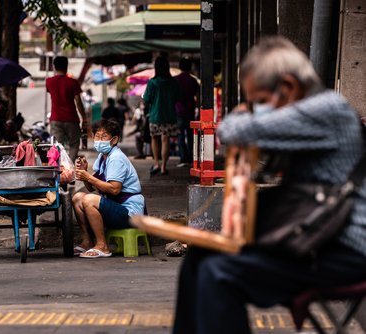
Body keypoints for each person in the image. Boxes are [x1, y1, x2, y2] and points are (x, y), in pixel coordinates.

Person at [173, 37, 366, 333]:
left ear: (287, 87)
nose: (256, 108)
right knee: (200, 254)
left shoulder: (327, 110)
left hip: (343, 248)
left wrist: (241, 117)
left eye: (260, 101)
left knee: (219, 273)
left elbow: (233, 129)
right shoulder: (312, 113)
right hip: (315, 236)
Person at [73, 119, 146, 258]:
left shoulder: (116, 158)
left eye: (104, 137)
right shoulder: (103, 157)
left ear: (114, 140)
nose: (99, 140)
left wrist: (88, 177)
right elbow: (91, 188)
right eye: (97, 136)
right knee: (77, 198)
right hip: (115, 208)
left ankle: (103, 246)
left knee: (89, 200)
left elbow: (114, 189)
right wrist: (85, 172)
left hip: (130, 213)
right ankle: (87, 241)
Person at [46, 56, 88, 162]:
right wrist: (84, 118)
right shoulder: (73, 82)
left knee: (57, 146)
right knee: (74, 144)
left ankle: (59, 170)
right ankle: (70, 167)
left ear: (54, 66)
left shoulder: (49, 82)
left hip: (55, 119)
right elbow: (78, 101)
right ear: (67, 66)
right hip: (71, 119)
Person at [143, 56, 180, 176]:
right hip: (169, 115)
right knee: (165, 139)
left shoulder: (152, 82)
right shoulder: (173, 82)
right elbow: (177, 97)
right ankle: (164, 166)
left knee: (155, 138)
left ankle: (156, 164)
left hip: (155, 116)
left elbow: (147, 99)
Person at [174, 57, 200, 167]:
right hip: (190, 111)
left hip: (178, 111)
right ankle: (190, 157)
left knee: (180, 135)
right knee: (190, 135)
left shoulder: (175, 80)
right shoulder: (193, 80)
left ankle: (183, 157)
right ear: (190, 67)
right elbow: (198, 96)